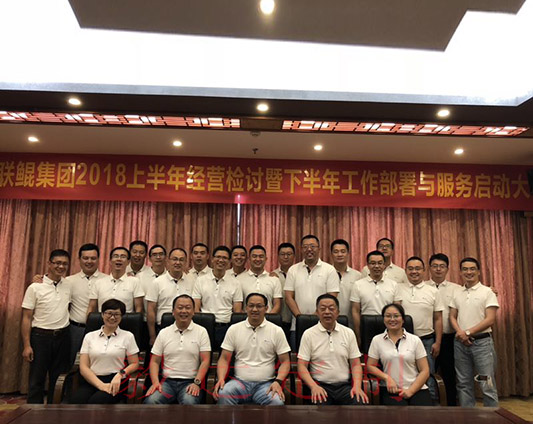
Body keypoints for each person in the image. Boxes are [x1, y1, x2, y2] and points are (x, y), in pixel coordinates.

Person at [213, 293, 290, 405]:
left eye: (259, 306)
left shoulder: (276, 331)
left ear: (266, 308)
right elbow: (224, 358)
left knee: (277, 402)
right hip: (239, 383)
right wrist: (221, 378)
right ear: (246, 308)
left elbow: (285, 362)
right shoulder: (234, 329)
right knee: (224, 393)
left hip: (266, 385)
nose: (254, 309)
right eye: (251, 306)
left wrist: (278, 381)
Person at [21, 249, 72, 404]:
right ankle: (33, 413)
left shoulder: (69, 284)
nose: (61, 267)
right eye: (57, 263)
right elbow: (26, 317)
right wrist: (27, 345)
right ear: (49, 263)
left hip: (63, 337)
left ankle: (53, 412)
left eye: (64, 264)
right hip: (40, 337)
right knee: (36, 380)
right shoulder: (35, 287)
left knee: (58, 380)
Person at [297, 294, 368, 405]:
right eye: (323, 309)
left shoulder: (348, 333)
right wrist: (314, 387)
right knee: (320, 409)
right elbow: (302, 366)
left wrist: (357, 387)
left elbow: (355, 364)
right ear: (317, 312)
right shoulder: (309, 334)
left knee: (360, 403)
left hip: (344, 387)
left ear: (338, 312)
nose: (327, 312)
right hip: (320, 385)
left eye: (331, 308)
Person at [449, 257, 499, 407]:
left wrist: (467, 333)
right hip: (460, 343)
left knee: (486, 383)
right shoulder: (457, 292)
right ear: (460, 272)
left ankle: (492, 416)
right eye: (465, 269)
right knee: (463, 383)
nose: (468, 272)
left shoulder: (487, 292)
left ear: (478, 271)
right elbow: (452, 316)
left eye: (472, 269)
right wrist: (461, 333)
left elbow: (490, 319)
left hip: (482, 344)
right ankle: (468, 416)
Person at [143, 294, 211, 405]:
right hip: (167, 382)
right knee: (151, 401)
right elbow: (155, 361)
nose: (184, 311)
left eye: (188, 308)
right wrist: (155, 383)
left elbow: (205, 360)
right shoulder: (164, 332)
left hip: (190, 382)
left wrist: (197, 383)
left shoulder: (201, 332)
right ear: (173, 312)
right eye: (180, 307)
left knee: (189, 402)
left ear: (193, 311)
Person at [71, 299, 139, 404]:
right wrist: (100, 385)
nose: (112, 317)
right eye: (109, 313)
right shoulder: (89, 336)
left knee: (97, 402)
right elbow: (84, 367)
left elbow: (134, 363)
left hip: (115, 380)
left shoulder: (128, 336)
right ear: (102, 314)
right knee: (76, 402)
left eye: (117, 314)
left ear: (121, 316)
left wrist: (120, 375)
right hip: (92, 380)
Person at [397, 256, 443, 402]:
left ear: (424, 271)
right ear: (405, 271)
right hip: (402, 340)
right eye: (410, 269)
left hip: (426, 341)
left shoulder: (433, 291)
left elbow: (438, 318)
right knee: (403, 375)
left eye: (418, 268)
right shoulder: (397, 288)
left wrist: (438, 342)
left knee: (428, 375)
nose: (414, 272)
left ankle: (431, 406)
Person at [367, 303, 432, 406]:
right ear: (383, 319)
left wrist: (411, 391)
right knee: (398, 414)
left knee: (424, 413)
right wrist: (387, 378)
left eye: (396, 316)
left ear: (403, 319)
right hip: (391, 389)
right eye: (388, 316)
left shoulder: (415, 340)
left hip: (417, 388)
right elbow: (370, 366)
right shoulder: (377, 340)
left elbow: (425, 370)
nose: (392, 319)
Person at [285, 235, 340, 349]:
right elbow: (289, 297)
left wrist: (316, 317)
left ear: (319, 249)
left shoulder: (329, 270)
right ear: (301, 249)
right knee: (297, 357)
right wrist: (300, 318)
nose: (309, 249)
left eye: (312, 246)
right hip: (297, 326)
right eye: (305, 247)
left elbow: (332, 297)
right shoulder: (293, 270)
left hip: (323, 325)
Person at [425, 253, 461, 406]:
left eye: (442, 266)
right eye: (435, 266)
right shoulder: (422, 286)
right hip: (427, 337)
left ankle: (451, 406)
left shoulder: (457, 289)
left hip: (448, 338)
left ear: (447, 269)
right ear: (429, 268)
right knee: (426, 372)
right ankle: (428, 404)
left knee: (449, 374)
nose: (438, 269)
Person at [192, 246, 243, 349]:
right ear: (212, 259)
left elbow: (237, 310)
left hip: (226, 327)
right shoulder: (200, 280)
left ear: (229, 261)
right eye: (218, 257)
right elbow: (196, 307)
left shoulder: (236, 283)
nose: (221, 260)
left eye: (224, 258)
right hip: (204, 326)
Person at [350, 251, 402, 344]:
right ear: (367, 265)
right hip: (366, 326)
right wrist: (358, 335)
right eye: (373, 263)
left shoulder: (393, 285)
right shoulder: (358, 285)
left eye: (380, 263)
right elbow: (355, 311)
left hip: (388, 325)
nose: (376, 266)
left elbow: (398, 310)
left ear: (384, 265)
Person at [146, 248, 194, 346]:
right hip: (162, 327)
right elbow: (151, 310)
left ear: (186, 262)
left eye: (181, 260)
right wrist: (152, 336)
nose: (178, 262)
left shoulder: (192, 281)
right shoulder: (157, 282)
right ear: (168, 260)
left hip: (186, 328)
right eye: (174, 259)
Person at [87, 247, 144, 314]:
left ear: (128, 262)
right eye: (115, 256)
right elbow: (91, 308)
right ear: (110, 261)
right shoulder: (99, 283)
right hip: (103, 319)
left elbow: (139, 308)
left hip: (126, 319)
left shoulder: (135, 282)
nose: (119, 259)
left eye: (123, 257)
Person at [237, 245, 282, 313]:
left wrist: (268, 317)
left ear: (266, 259)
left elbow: (277, 304)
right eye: (254, 256)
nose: (258, 259)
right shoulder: (239, 279)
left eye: (261, 256)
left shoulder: (274, 279)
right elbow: (237, 306)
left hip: (268, 318)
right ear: (249, 259)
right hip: (246, 318)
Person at [330, 239, 362, 329]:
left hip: (351, 323)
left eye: (343, 251)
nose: (339, 254)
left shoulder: (357, 275)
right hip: (329, 321)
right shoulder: (326, 273)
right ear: (331, 254)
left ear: (348, 254)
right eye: (336, 252)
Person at [272, 242, 296, 338]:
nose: (286, 257)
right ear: (278, 256)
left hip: (296, 320)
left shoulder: (300, 274)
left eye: (289, 254)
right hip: (279, 321)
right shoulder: (272, 276)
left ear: (294, 256)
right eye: (282, 254)